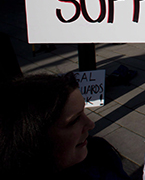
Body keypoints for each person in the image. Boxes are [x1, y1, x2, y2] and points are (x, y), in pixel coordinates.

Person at [0, 73, 129, 180]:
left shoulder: (100, 153)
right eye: (74, 121)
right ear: (34, 138)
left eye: (84, 112)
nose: (91, 124)